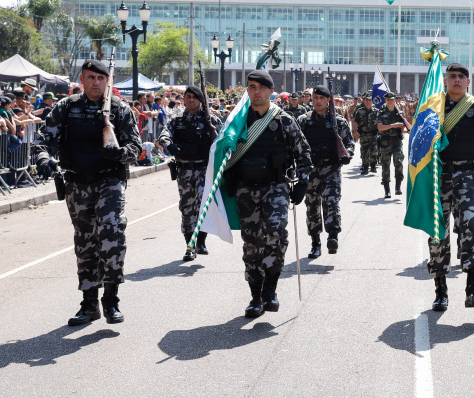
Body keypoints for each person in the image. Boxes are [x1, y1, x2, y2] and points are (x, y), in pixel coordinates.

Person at [36, 59, 141, 326]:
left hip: (110, 181)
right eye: (90, 78)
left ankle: (111, 301)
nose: (96, 83)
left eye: (100, 78)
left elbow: (135, 145)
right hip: (76, 183)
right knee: (85, 242)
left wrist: (120, 153)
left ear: (107, 81)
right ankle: (89, 303)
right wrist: (44, 159)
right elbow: (43, 139)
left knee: (111, 231)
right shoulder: (66, 107)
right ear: (81, 80)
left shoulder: (119, 109)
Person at [225, 71, 312, 318]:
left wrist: (302, 183)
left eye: (261, 87)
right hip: (245, 190)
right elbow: (221, 151)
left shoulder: (283, 121)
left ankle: (270, 291)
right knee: (252, 244)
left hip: (276, 188)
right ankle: (255, 296)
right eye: (252, 87)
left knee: (275, 234)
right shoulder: (237, 121)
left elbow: (303, 154)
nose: (256, 91)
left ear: (271, 91)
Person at [428, 62, 474, 312]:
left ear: (468, 82)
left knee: (472, 226)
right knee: (438, 232)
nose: (457, 80)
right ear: (446, 80)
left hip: (467, 176)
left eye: (461, 77)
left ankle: (473, 288)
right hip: (439, 177)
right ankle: (440, 291)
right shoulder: (433, 107)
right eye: (452, 76)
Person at [157, 86, 222, 260]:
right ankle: (189, 245)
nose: (191, 100)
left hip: (204, 170)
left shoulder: (211, 119)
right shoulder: (177, 119)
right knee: (187, 209)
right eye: (188, 97)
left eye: (194, 97)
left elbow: (223, 140)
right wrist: (168, 144)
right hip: (184, 171)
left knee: (204, 208)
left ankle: (201, 241)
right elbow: (163, 135)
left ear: (201, 100)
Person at [298, 85, 355, 258]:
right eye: (315, 98)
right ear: (311, 99)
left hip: (331, 168)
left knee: (331, 201)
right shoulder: (303, 120)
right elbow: (296, 145)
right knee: (312, 205)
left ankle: (333, 235)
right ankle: (315, 243)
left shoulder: (338, 121)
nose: (318, 101)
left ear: (328, 100)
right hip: (311, 168)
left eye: (322, 98)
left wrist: (347, 155)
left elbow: (350, 143)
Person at [376, 91, 411, 198]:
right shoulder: (381, 111)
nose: (390, 101)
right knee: (385, 166)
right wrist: (393, 125)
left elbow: (404, 128)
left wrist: (405, 129)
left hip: (397, 141)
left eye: (392, 99)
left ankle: (398, 187)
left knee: (399, 164)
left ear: (395, 100)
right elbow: (380, 127)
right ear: (386, 100)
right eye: (388, 99)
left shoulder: (400, 113)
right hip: (385, 141)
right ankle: (387, 190)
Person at [352, 92, 379, 175]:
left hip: (373, 133)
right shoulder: (360, 111)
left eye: (369, 100)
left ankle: (373, 165)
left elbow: (380, 123)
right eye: (366, 100)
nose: (368, 102)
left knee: (374, 150)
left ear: (372, 101)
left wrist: (380, 131)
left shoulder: (376, 111)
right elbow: (355, 122)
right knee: (364, 151)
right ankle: (365, 167)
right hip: (363, 134)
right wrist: (354, 131)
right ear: (364, 101)